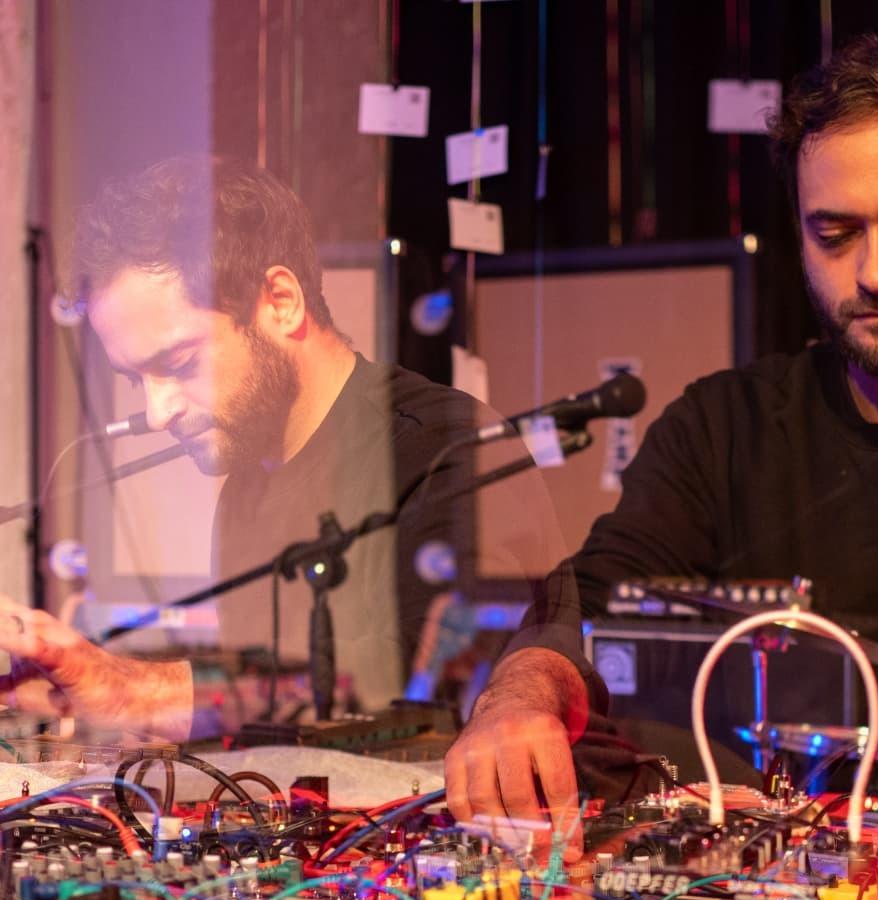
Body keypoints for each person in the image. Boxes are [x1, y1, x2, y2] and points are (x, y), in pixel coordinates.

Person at [444, 34, 878, 854]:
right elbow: (589, 606)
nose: (876, 272)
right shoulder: (722, 429)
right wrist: (519, 695)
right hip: (781, 896)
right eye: (835, 233)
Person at [0, 156, 568, 743]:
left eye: (181, 363)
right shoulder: (246, 487)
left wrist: (133, 690)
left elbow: (425, 701)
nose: (158, 411)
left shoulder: (449, 451)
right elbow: (272, 726)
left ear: (280, 301)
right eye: (134, 379)